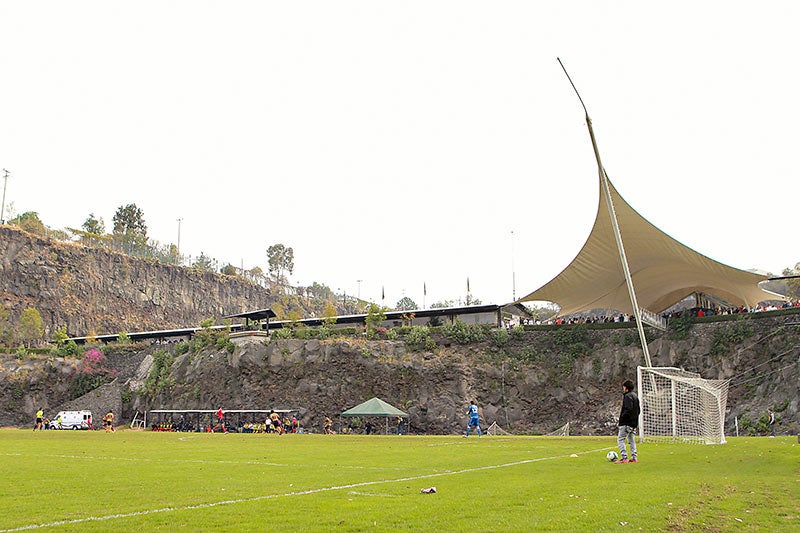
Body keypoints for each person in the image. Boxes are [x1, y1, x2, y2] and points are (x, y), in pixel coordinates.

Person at [616, 380, 640, 463]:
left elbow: (628, 409)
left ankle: (624, 457)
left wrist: (623, 418)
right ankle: (634, 457)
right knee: (631, 440)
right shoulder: (635, 396)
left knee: (620, 439)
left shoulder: (627, 396)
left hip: (626, 423)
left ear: (626, 388)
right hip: (634, 423)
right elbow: (638, 410)